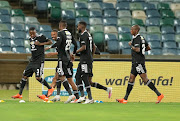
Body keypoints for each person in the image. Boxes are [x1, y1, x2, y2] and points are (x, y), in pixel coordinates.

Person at [116, 25, 164, 104]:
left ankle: (159, 94)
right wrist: (142, 50)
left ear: (136, 30)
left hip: (138, 62)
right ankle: (125, 99)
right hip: (135, 63)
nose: (131, 30)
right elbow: (148, 47)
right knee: (131, 79)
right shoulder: (142, 38)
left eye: (132, 29)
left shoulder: (137, 39)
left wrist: (131, 45)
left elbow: (137, 49)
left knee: (145, 79)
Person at [38, 20, 79, 103]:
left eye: (54, 35)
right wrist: (73, 54)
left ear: (60, 26)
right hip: (67, 58)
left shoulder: (60, 34)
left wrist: (49, 48)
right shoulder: (69, 34)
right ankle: (55, 96)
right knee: (56, 77)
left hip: (62, 59)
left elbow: (59, 44)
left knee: (61, 77)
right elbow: (75, 44)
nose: (53, 36)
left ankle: (71, 95)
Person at [12, 27, 54, 100]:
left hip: (39, 60)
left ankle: (50, 88)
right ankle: (20, 94)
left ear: (35, 32)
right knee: (24, 75)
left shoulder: (41, 37)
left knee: (38, 77)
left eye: (33, 33)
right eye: (30, 33)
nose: (31, 35)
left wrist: (41, 44)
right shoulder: (30, 39)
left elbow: (50, 42)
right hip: (32, 61)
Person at [71, 21, 95, 104]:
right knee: (78, 76)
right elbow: (93, 47)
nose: (77, 28)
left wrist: (74, 53)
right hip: (84, 59)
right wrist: (91, 55)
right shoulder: (88, 34)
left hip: (85, 60)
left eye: (78, 26)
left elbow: (84, 47)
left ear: (81, 26)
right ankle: (82, 96)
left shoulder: (84, 35)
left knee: (84, 77)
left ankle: (90, 98)